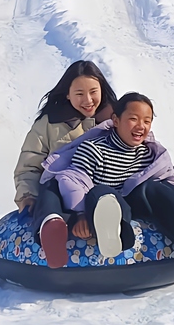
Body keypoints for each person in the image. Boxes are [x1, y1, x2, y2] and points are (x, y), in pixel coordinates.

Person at [40, 92, 174, 264]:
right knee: (103, 193)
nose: (141, 126)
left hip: (133, 205)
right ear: (116, 120)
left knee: (153, 187)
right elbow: (74, 181)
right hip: (98, 206)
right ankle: (113, 231)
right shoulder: (93, 149)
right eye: (133, 119)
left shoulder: (149, 153)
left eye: (147, 121)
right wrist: (80, 214)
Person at [15, 61, 118, 267]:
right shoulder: (49, 124)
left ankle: (112, 230)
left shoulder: (116, 120)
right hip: (61, 193)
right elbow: (29, 164)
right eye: (79, 93)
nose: (88, 100)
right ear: (67, 94)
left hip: (102, 190)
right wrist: (27, 196)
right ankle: (51, 228)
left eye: (93, 92)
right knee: (50, 190)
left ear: (102, 91)